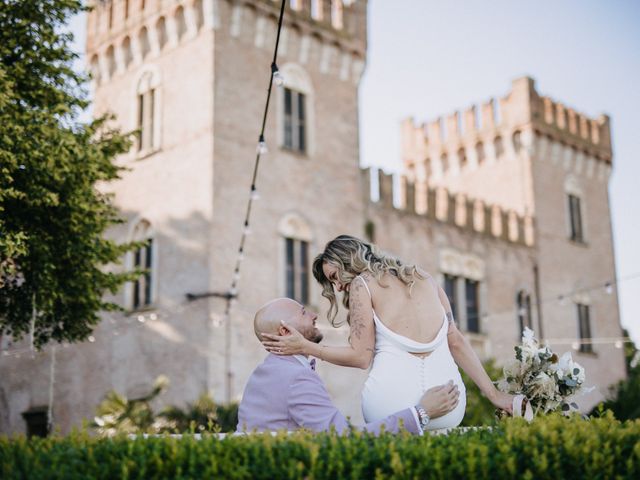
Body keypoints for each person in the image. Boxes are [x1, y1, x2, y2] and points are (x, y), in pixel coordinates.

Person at [262, 235, 516, 429]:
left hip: (394, 407)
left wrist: (305, 347)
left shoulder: (362, 284)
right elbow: (457, 341)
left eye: (335, 276)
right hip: (451, 404)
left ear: (349, 261)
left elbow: (361, 357)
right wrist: (494, 395)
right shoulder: (426, 278)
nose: (338, 287)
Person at [237, 297, 461, 434]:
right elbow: (343, 439)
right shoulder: (296, 378)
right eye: (304, 312)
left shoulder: (265, 373)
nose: (315, 315)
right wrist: (421, 413)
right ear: (285, 331)